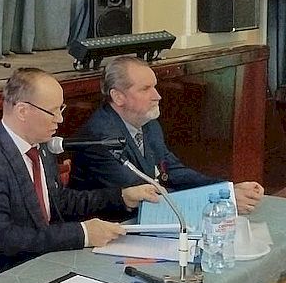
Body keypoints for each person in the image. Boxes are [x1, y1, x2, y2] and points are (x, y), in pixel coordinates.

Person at [0, 67, 161, 277]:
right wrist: (82, 233)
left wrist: (121, 197)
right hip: (7, 274)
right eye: (52, 111)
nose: (60, 119)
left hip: (48, 261)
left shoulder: (42, 146)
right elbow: (2, 238)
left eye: (61, 109)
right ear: (22, 111)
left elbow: (60, 201)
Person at [69, 55, 264, 212]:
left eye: (155, 86)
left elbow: (172, 170)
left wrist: (225, 189)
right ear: (118, 97)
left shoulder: (148, 123)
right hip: (110, 228)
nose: (158, 96)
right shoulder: (99, 138)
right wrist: (223, 200)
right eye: (145, 89)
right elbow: (144, 194)